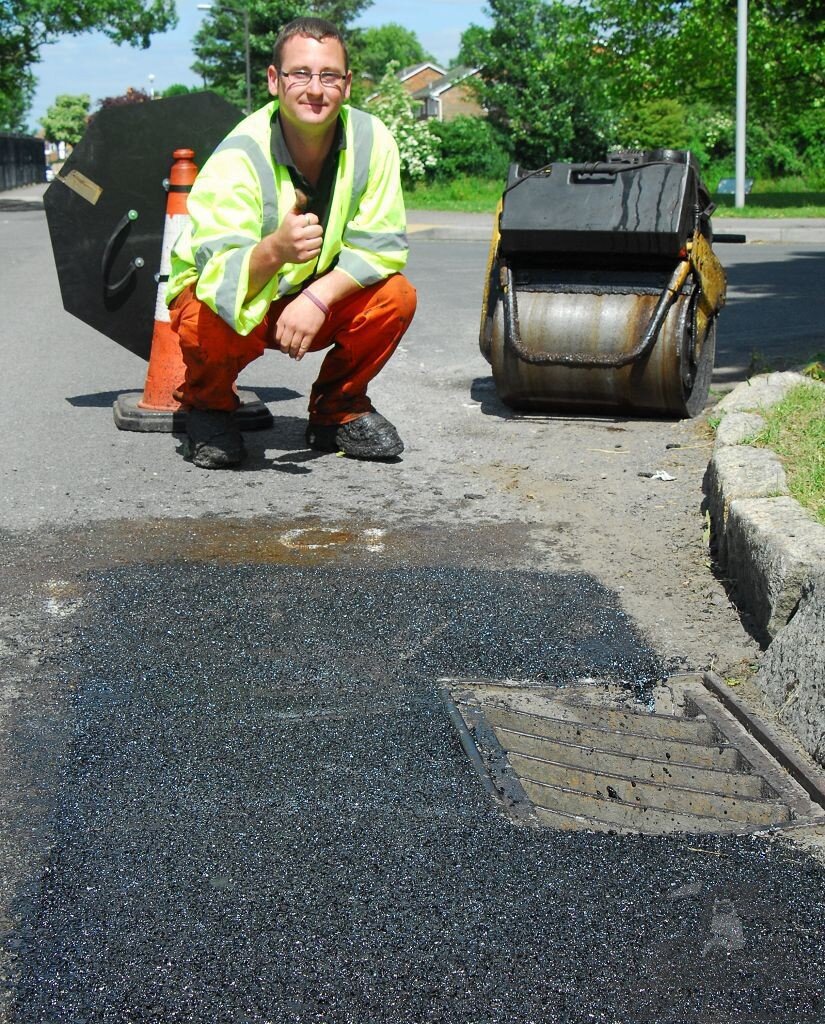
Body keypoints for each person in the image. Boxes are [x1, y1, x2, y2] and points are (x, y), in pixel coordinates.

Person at [166, 17, 417, 469]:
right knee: (203, 313)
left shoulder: (372, 138)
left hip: (309, 294)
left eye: (329, 75)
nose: (315, 89)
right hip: (227, 297)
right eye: (299, 73)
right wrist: (275, 250)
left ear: (348, 84)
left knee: (395, 297)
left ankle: (336, 411)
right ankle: (209, 406)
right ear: (274, 80)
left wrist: (319, 298)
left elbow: (381, 244)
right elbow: (218, 276)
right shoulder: (237, 156)